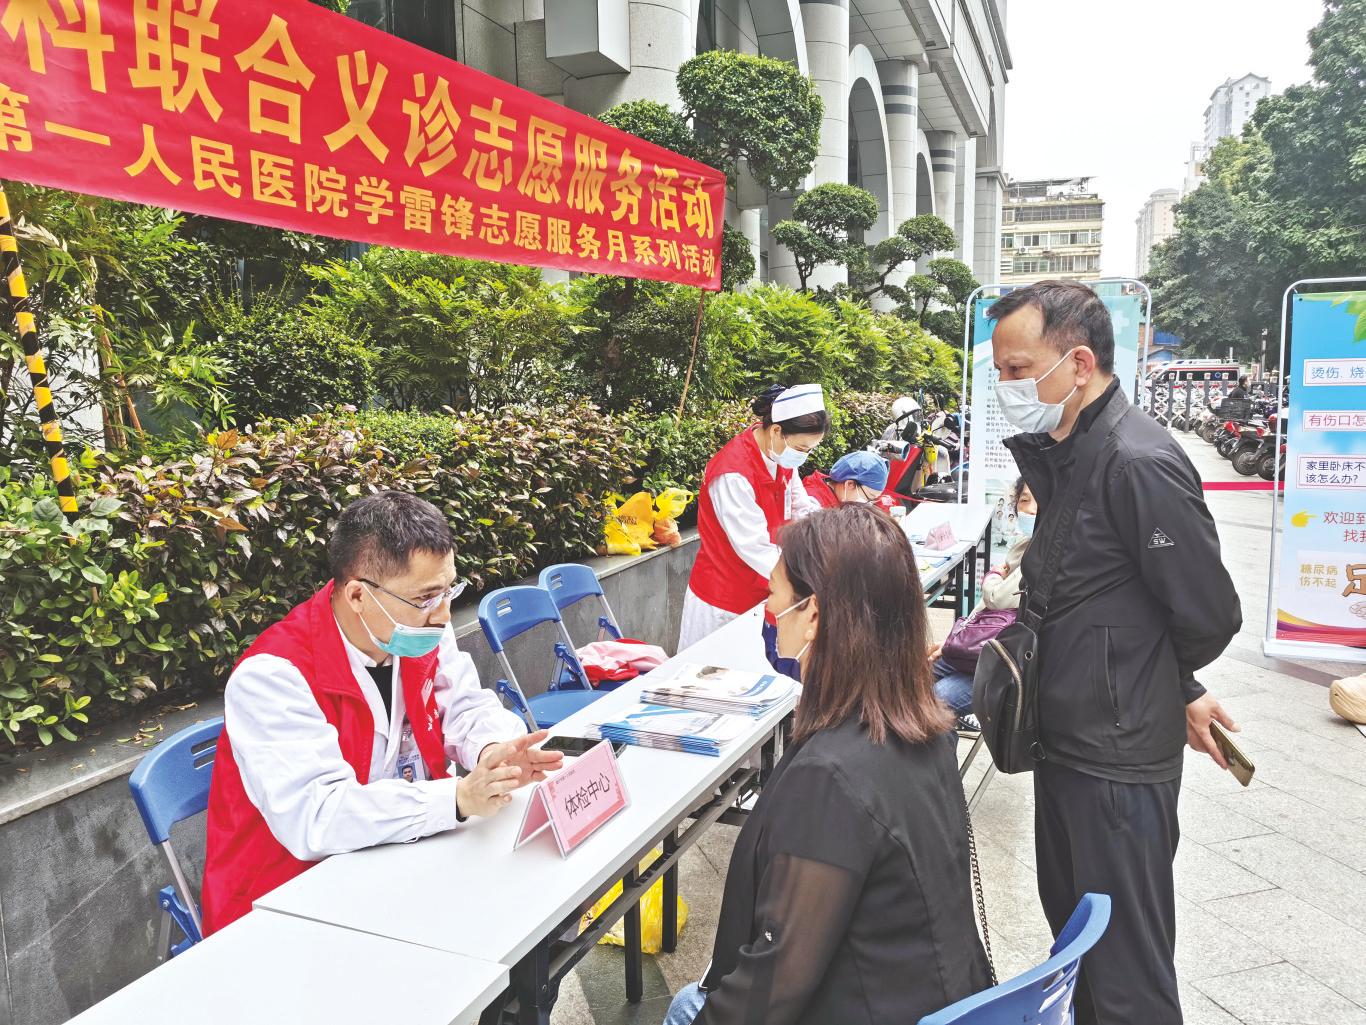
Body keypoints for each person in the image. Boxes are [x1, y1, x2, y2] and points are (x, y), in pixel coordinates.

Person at [989, 280, 1242, 1025]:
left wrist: (1148, 679)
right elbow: (1106, 595)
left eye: (1018, 369)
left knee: (1126, 972)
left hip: (1116, 759)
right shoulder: (1070, 450)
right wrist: (1176, 682)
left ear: (1079, 362)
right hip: (1066, 742)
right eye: (999, 370)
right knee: (1079, 953)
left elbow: (1208, 611)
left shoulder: (1137, 460)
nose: (1007, 386)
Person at [664, 505, 991, 1025]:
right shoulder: (926, 725)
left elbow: (776, 981)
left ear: (813, 614)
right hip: (933, 994)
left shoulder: (831, 777)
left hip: (870, 1004)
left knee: (687, 1006)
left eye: (773, 595)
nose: (769, 612)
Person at [200, 491, 563, 934]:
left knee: (522, 922)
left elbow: (465, 705)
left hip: (394, 865)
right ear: (357, 595)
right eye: (428, 597)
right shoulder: (274, 676)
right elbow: (319, 816)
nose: (443, 614)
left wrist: (495, 752)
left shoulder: (413, 627)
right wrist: (455, 799)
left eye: (449, 590)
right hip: (286, 904)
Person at [678, 384, 827, 651]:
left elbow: (802, 509)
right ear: (777, 430)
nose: (804, 456)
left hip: (765, 594)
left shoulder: (781, 457)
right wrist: (813, 577)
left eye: (810, 449)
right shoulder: (733, 473)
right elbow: (754, 547)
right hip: (722, 601)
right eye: (802, 447)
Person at [929, 476, 1036, 729]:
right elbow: (985, 610)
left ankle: (937, 766)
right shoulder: (1023, 545)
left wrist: (993, 575)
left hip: (1007, 663)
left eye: (1039, 501)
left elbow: (997, 598)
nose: (1031, 509)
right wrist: (952, 644)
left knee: (936, 702)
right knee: (909, 682)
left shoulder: (1045, 552)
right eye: (1024, 501)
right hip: (979, 649)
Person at [802, 450, 890, 509]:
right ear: (850, 484)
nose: (867, 504)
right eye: (869, 498)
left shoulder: (837, 500)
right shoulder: (811, 504)